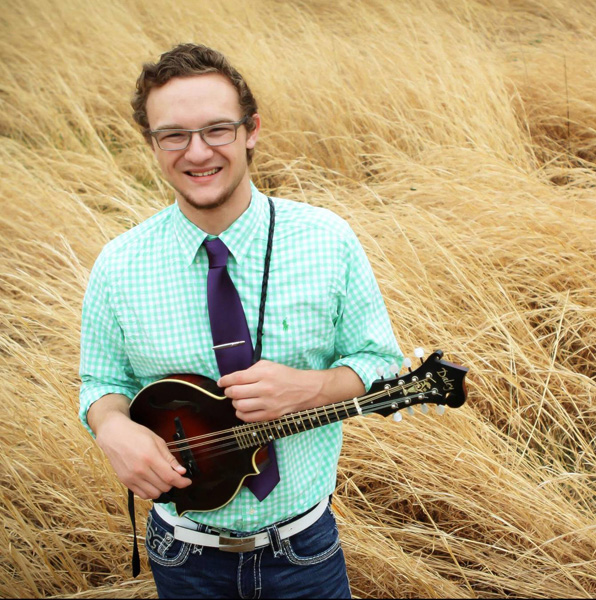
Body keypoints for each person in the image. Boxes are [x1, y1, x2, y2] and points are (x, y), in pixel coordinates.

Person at [79, 43, 401, 599]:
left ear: (251, 130)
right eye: (173, 135)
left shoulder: (327, 241)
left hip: (304, 552)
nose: (197, 152)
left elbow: (380, 362)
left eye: (217, 130)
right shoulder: (119, 264)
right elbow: (101, 382)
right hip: (182, 554)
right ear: (152, 143)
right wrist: (111, 428)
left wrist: (312, 388)